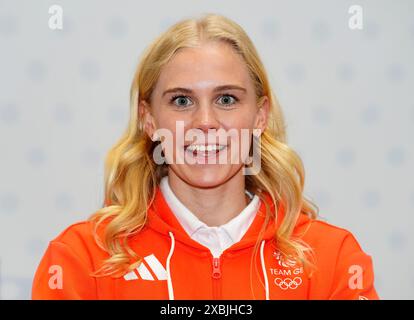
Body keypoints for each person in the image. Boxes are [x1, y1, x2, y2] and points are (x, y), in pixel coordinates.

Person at [32, 13, 379, 300]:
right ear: (148, 119)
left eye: (226, 99)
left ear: (260, 116)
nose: (206, 123)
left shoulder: (332, 258)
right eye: (182, 101)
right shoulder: (81, 259)